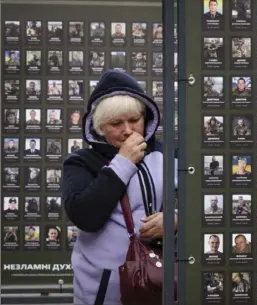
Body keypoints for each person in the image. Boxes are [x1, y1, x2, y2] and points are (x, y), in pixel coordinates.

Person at [61, 70, 178, 305]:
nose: (127, 130)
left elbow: (199, 204)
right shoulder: (80, 162)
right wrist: (123, 163)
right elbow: (85, 216)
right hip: (104, 291)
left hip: (162, 283)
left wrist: (175, 220)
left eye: (134, 120)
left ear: (146, 118)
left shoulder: (168, 154)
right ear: (100, 128)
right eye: (116, 123)